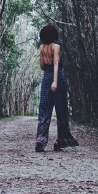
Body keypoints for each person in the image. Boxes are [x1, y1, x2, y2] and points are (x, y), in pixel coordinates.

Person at [35, 24, 79, 152]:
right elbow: (56, 64)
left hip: (46, 77)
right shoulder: (56, 47)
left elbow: (42, 66)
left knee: (44, 109)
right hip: (58, 77)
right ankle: (60, 141)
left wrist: (49, 78)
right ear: (54, 35)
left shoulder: (42, 48)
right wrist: (55, 81)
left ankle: (41, 140)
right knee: (61, 110)